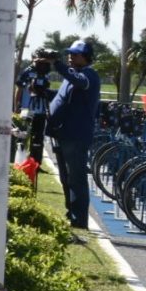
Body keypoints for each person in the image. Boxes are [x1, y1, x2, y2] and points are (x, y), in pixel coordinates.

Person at [47, 40, 101, 231]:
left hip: (76, 136)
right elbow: (63, 96)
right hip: (63, 133)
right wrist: (45, 92)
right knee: (66, 177)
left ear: (85, 57)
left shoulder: (89, 75)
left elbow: (80, 83)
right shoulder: (72, 76)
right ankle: (71, 213)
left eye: (75, 54)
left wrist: (58, 64)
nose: (71, 56)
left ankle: (79, 220)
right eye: (69, 53)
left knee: (76, 178)